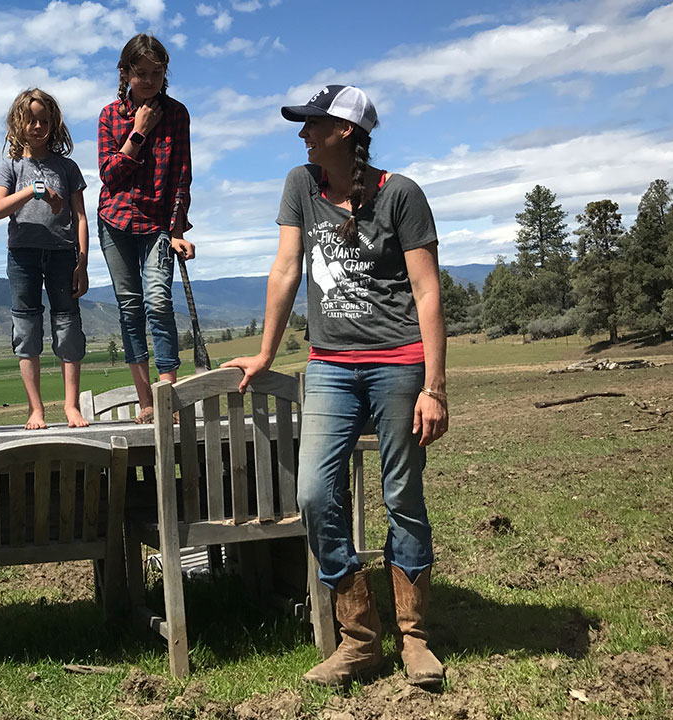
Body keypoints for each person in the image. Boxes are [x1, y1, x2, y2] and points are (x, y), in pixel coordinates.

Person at [223, 85, 449, 688]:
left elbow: (428, 292)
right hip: (328, 364)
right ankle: (358, 639)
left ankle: (415, 638)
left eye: (313, 125)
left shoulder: (400, 194)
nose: (303, 134)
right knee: (316, 495)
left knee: (402, 494)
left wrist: (436, 385)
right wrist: (267, 352)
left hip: (398, 361)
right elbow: (286, 269)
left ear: (345, 132)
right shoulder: (302, 184)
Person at [97, 33, 194, 423]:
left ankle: (167, 395)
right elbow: (109, 177)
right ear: (125, 73)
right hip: (115, 221)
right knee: (130, 309)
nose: (150, 80)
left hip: (158, 224)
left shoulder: (177, 114)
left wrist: (177, 229)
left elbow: (181, 177)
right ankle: (146, 402)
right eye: (141, 73)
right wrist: (138, 132)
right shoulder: (109, 116)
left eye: (157, 72)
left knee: (157, 301)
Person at [0, 88, 90, 430]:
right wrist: (33, 190)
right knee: (27, 329)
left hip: (63, 254)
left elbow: (80, 217)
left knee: (68, 328)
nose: (37, 126)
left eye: (44, 120)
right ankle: (36, 410)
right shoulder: (11, 166)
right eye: (31, 120)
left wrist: (83, 262)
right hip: (23, 257)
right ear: (18, 123)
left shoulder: (67, 166)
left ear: (54, 124)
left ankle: (71, 407)